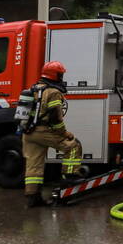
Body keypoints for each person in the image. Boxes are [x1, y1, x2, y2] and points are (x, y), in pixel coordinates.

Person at [23, 61, 84, 208]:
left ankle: (33, 197)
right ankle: (70, 176)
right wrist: (64, 133)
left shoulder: (33, 89)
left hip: (28, 133)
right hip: (44, 131)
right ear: (55, 75)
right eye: (60, 74)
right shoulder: (53, 92)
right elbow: (55, 118)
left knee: (33, 165)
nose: (62, 77)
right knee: (73, 146)